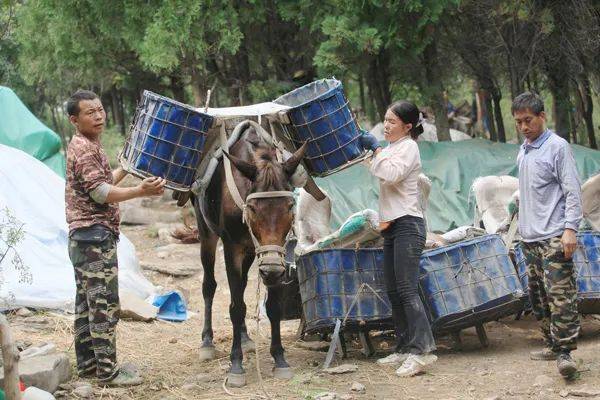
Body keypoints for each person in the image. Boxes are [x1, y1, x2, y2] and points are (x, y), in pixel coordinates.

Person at [65, 89, 166, 386]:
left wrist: (128, 168)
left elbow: (104, 180)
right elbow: (101, 193)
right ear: (74, 119)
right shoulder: (84, 149)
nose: (98, 116)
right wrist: (141, 191)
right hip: (93, 238)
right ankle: (108, 372)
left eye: (100, 110)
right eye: (89, 112)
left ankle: (87, 367)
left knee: (86, 304)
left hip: (85, 237)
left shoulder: (88, 145)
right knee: (103, 305)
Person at [359, 101, 437, 377]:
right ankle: (404, 347)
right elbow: (379, 167)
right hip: (391, 225)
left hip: (408, 224)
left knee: (407, 289)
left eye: (392, 121)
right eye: (385, 120)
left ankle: (422, 351)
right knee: (393, 290)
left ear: (407, 126)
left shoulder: (409, 147)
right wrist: (372, 151)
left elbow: (391, 175)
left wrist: (377, 150)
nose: (386, 126)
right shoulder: (392, 148)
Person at [512, 91, 582, 379]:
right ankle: (552, 344)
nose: (524, 127)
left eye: (528, 120)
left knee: (560, 296)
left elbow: (572, 190)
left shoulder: (557, 147)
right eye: (518, 122)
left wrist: (570, 229)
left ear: (542, 116)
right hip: (528, 237)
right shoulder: (524, 149)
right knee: (538, 296)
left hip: (554, 234)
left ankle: (565, 353)